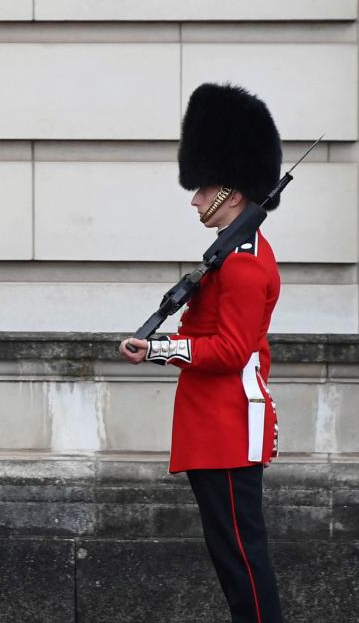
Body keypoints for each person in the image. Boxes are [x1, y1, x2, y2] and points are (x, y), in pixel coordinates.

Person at [120, 82, 286, 623]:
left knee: (242, 561)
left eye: (201, 188)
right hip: (216, 424)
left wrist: (159, 348)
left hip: (227, 425)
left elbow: (232, 350)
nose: (194, 199)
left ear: (230, 192)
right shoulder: (230, 255)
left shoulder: (242, 263)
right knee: (232, 560)